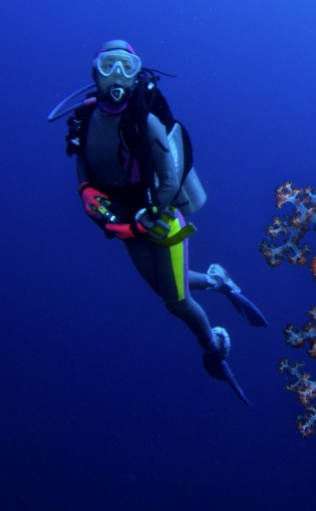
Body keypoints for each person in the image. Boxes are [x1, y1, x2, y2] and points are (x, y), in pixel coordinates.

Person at [49, 40, 267, 401]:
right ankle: (219, 281)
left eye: (126, 67)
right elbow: (83, 174)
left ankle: (214, 347)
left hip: (161, 217)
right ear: (95, 73)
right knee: (165, 289)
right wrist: (102, 211)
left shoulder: (145, 122)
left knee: (176, 302)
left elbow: (169, 178)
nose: (117, 75)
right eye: (109, 66)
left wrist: (150, 217)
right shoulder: (83, 121)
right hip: (125, 222)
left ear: (136, 74)